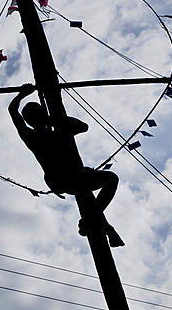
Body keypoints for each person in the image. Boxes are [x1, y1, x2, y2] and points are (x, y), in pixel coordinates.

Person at [8, 83, 124, 247]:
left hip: (76, 176)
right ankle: (99, 225)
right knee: (102, 182)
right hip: (61, 180)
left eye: (38, 114)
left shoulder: (60, 131)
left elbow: (83, 127)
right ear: (30, 120)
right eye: (32, 117)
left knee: (109, 181)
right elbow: (13, 112)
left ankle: (98, 224)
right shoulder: (32, 137)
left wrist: (52, 118)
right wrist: (22, 95)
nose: (36, 119)